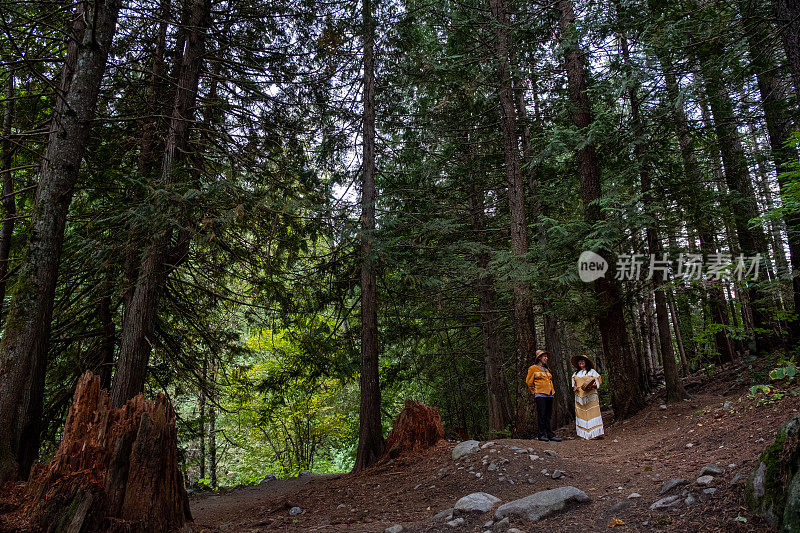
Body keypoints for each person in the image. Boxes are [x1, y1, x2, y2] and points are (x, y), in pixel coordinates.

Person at [526, 349, 561, 442]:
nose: (546, 358)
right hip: (540, 395)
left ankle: (550, 435)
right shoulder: (533, 368)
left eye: (546, 356)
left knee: (548, 415)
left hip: (550, 394)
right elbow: (529, 382)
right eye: (544, 357)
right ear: (539, 358)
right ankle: (541, 435)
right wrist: (535, 392)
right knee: (542, 414)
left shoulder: (547, 369)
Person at [571, 355, 604, 440]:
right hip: (579, 397)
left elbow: (598, 383)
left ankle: (594, 434)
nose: (581, 362)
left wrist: (591, 386)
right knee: (581, 414)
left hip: (591, 396)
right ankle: (584, 435)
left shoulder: (592, 372)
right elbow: (573, 385)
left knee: (593, 413)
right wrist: (575, 388)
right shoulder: (575, 374)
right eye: (579, 361)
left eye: (583, 360)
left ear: (586, 362)